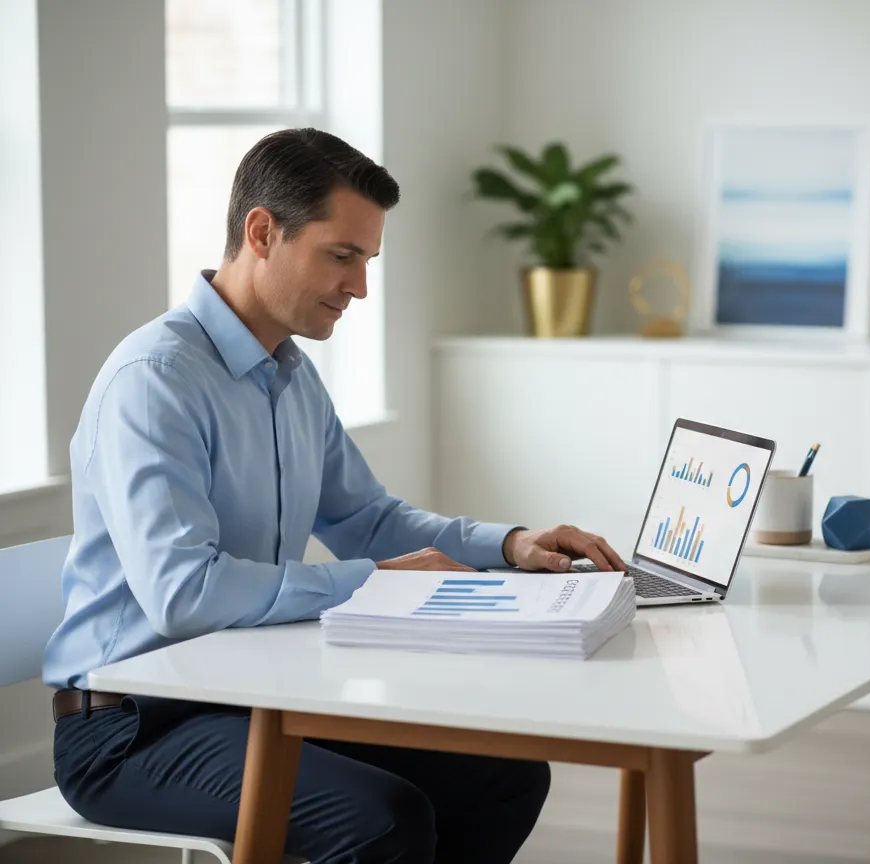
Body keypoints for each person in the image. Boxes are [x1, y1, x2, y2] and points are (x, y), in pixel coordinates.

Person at [42, 127, 627, 864]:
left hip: (247, 697)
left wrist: (510, 546)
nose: (359, 287)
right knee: (383, 819)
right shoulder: (156, 380)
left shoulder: (287, 372)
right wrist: (373, 585)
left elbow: (365, 517)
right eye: (342, 256)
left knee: (503, 778)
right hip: (131, 730)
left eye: (368, 260)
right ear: (262, 232)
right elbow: (182, 593)